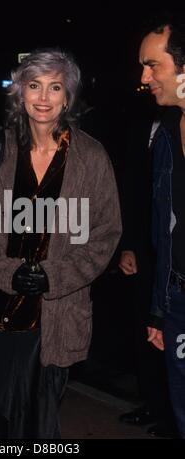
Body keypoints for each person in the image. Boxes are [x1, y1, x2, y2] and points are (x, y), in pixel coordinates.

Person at [0, 48, 122, 439]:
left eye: (54, 87)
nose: (43, 98)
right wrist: (7, 272)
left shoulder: (92, 157)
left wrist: (54, 276)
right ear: (20, 94)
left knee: (39, 427)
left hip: (55, 318)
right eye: (34, 86)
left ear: (68, 97)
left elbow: (105, 234)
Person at [118, 106, 177, 437]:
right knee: (146, 329)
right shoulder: (141, 122)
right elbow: (132, 186)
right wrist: (128, 245)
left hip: (175, 250)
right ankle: (153, 403)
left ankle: (173, 413)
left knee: (173, 330)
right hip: (144, 248)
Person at [139, 16, 185, 438]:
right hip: (177, 300)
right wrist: (159, 307)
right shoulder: (166, 132)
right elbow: (164, 228)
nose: (144, 77)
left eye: (153, 65)